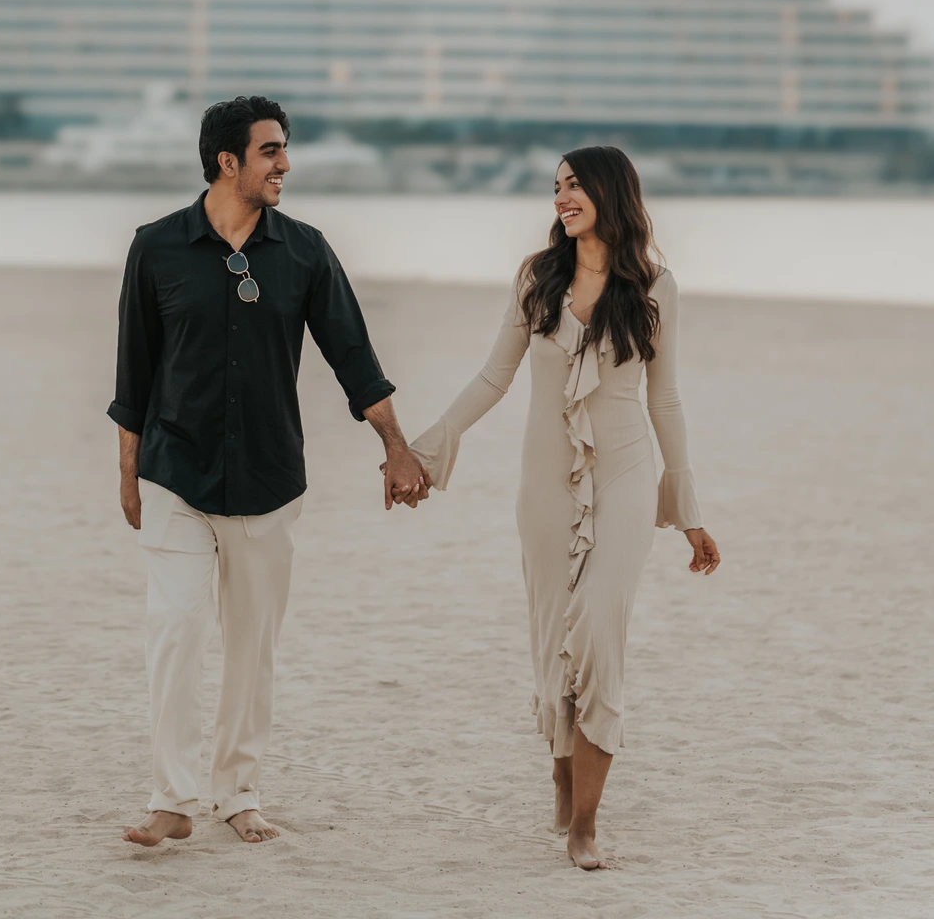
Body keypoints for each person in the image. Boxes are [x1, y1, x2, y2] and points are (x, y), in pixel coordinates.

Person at [110, 94, 430, 847]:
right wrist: (127, 476)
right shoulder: (154, 247)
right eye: (271, 151)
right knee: (177, 630)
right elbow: (134, 372)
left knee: (251, 647)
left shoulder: (307, 251)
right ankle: (171, 799)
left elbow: (353, 356)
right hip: (173, 471)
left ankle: (237, 792)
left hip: (267, 477)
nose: (285, 164)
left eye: (284, 150)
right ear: (228, 162)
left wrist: (395, 444)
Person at [408, 145, 720, 870]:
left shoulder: (654, 285)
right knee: (552, 638)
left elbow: (663, 397)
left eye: (573, 184)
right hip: (543, 478)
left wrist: (689, 508)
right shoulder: (536, 278)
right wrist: (425, 451)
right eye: (555, 188)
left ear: (610, 190)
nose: (560, 197)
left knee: (597, 637)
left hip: (625, 472)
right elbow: (492, 377)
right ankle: (561, 772)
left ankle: (584, 824)